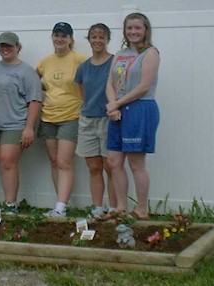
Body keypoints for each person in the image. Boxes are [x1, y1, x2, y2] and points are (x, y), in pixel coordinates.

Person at [105, 13, 160, 220]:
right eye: (129, 28)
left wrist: (117, 103)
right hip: (117, 111)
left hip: (139, 109)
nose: (133, 32)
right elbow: (110, 83)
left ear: (145, 30)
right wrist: (113, 106)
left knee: (136, 163)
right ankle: (120, 207)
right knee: (113, 161)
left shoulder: (150, 53)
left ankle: (142, 210)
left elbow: (144, 86)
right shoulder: (120, 54)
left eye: (137, 28)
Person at [0, 31, 43, 214]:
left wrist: (29, 128)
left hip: (16, 124)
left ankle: (10, 205)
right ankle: (7, 202)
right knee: (4, 164)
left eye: (9, 46)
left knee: (8, 162)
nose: (5, 49)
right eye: (2, 46)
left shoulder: (26, 71)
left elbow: (35, 100)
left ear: (18, 47)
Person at [37, 22, 88, 217]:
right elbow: (35, 81)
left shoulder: (80, 60)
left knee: (63, 162)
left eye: (64, 36)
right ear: (52, 37)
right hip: (48, 116)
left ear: (71, 39)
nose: (59, 39)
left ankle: (60, 207)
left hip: (72, 116)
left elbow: (93, 81)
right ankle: (60, 204)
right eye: (56, 35)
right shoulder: (45, 62)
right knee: (53, 160)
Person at [74, 23, 117, 219]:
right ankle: (98, 207)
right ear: (88, 39)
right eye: (94, 36)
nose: (97, 40)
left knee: (111, 167)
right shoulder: (83, 67)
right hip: (87, 121)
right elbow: (83, 93)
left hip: (109, 120)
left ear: (108, 40)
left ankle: (116, 208)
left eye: (102, 37)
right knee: (94, 167)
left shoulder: (115, 63)